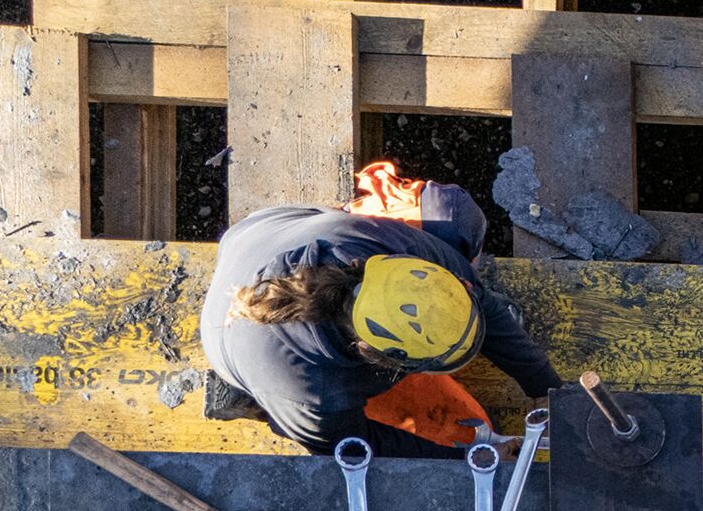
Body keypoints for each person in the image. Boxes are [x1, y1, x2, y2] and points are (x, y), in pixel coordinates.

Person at [199, 163, 563, 459]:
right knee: (452, 424)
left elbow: (478, 297)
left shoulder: (388, 250)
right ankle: (253, 402)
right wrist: (476, 457)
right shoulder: (315, 395)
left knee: (456, 220)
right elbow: (358, 449)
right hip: (230, 339)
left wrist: (546, 385)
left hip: (265, 230)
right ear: (383, 362)